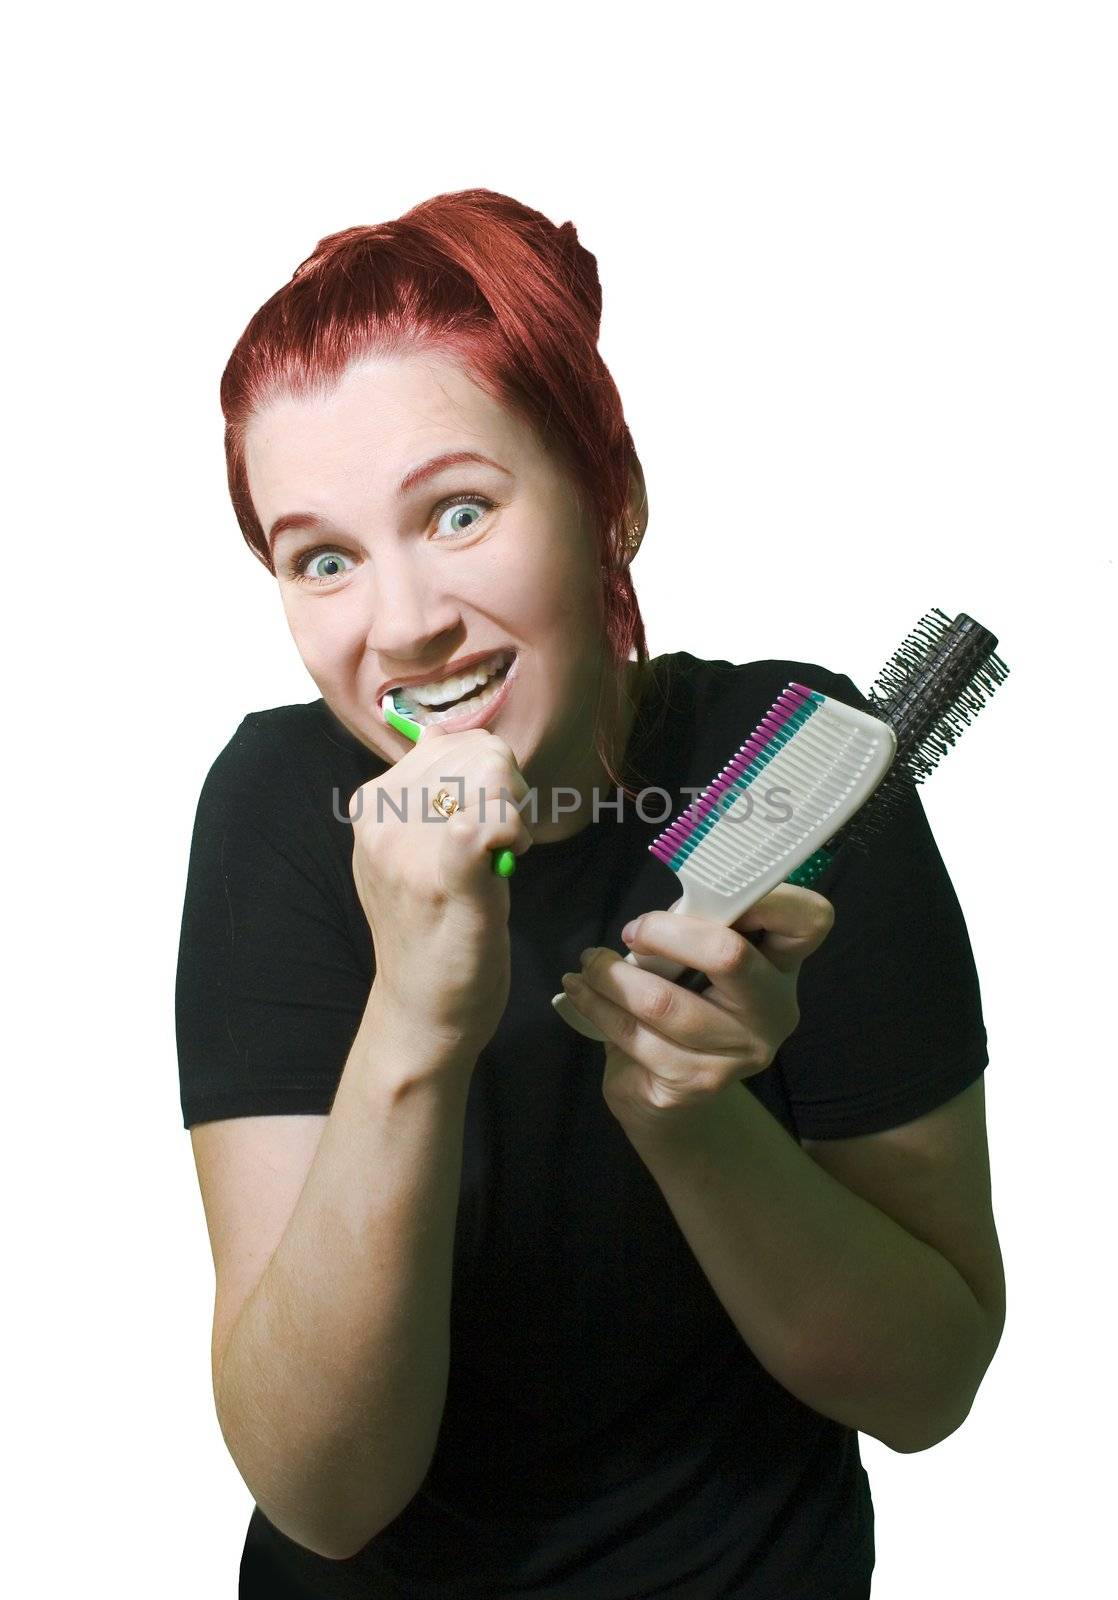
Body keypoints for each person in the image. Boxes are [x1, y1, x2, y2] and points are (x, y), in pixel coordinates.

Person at [175, 189, 1006, 1600]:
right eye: (322, 556)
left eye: (457, 511)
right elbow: (321, 1493)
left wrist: (688, 1119)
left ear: (608, 497)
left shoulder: (804, 770)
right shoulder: (278, 810)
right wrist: (416, 1022)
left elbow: (923, 1388)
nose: (402, 624)